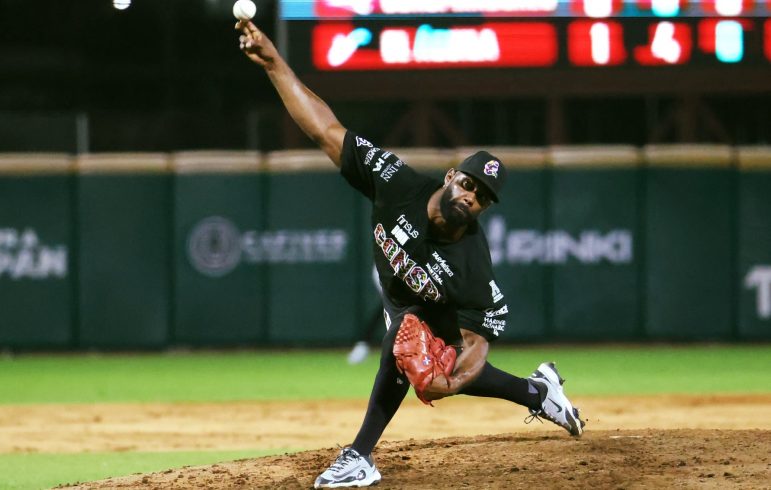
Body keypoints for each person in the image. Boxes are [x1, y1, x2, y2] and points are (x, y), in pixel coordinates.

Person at [237, 20, 585, 489]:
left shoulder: (471, 265)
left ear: (484, 207)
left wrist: (454, 380)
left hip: (457, 311)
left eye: (481, 195)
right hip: (404, 296)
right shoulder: (397, 183)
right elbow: (325, 128)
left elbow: (480, 338)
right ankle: (539, 393)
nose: (470, 195)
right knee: (407, 343)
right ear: (449, 177)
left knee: (411, 348)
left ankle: (359, 455)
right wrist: (274, 63)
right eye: (467, 182)